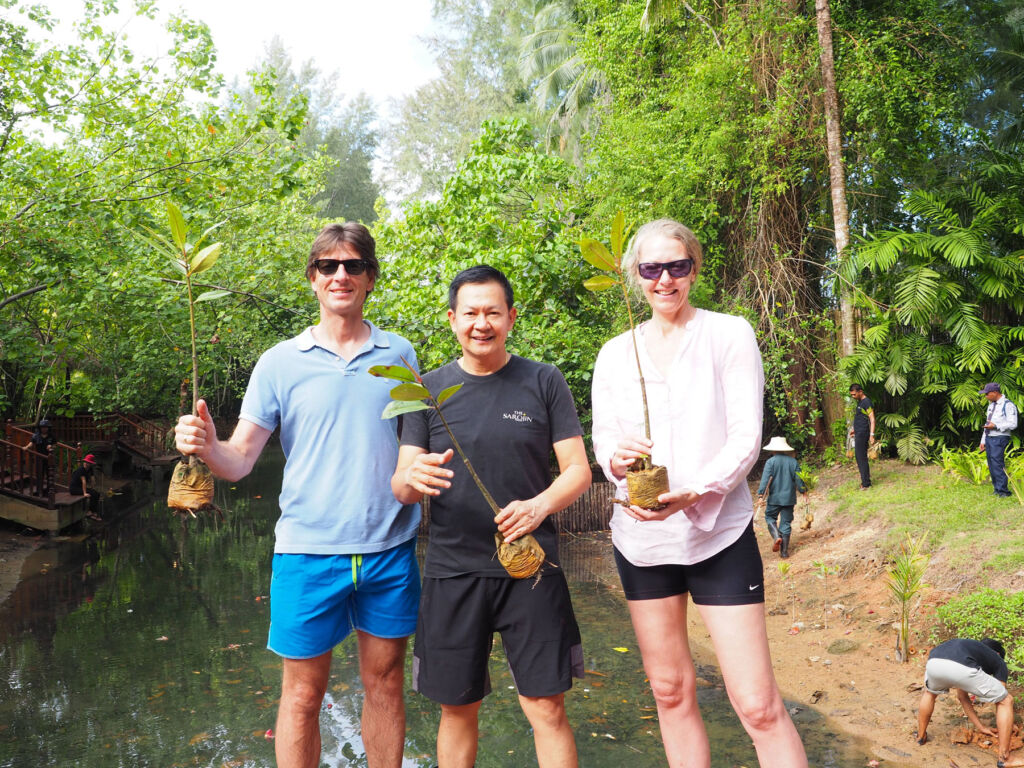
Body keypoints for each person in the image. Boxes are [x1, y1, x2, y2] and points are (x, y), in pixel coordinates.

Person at [174, 222, 420, 768]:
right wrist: (207, 446)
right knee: (303, 695)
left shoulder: (400, 354)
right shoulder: (279, 361)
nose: (340, 275)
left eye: (353, 265)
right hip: (307, 553)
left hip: (390, 549)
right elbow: (238, 462)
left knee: (385, 685)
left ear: (370, 278)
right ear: (312, 278)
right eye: (328, 266)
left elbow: (414, 449)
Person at [591, 219, 808, 768]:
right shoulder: (616, 352)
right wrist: (615, 461)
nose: (665, 279)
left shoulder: (728, 332)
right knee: (669, 690)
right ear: (635, 276)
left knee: (757, 705)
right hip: (642, 542)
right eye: (651, 269)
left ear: (695, 268)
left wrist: (696, 490)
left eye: (677, 267)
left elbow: (745, 438)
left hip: (718, 535)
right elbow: (605, 442)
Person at [392, 265, 591, 768]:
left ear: (511, 317)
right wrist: (415, 481)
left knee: (545, 706)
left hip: (531, 568)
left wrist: (540, 504)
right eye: (471, 313)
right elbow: (400, 485)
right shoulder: (425, 391)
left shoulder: (543, 380)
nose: (482, 323)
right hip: (453, 570)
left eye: (493, 312)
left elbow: (577, 472)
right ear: (452, 320)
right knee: (457, 709)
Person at [916, 637, 1023, 767]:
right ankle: (1005, 758)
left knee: (929, 693)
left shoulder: (970, 650)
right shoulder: (998, 660)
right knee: (1006, 701)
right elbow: (1000, 699)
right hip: (960, 666)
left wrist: (981, 727)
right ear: (998, 654)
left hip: (934, 661)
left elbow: (962, 697)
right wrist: (1008, 725)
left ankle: (921, 737)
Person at [757, 437, 806, 559]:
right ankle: (784, 552)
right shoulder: (793, 462)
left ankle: (776, 536)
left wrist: (760, 495)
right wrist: (803, 491)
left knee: (769, 517)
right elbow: (799, 479)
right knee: (786, 523)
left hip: (774, 499)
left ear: (772, 450)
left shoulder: (770, 462)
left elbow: (765, 480)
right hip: (789, 498)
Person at [979, 383, 1018, 499]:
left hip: (1000, 438)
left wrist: (996, 426)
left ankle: (1003, 492)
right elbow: (988, 423)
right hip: (990, 438)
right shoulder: (991, 406)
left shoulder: (1008, 405)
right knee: (991, 464)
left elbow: (1013, 424)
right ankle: (997, 489)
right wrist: (983, 440)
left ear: (995, 392)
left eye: (987, 394)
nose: (985, 396)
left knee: (997, 464)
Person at [848, 384, 875, 489]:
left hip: (863, 433)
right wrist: (855, 430)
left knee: (861, 458)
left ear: (860, 391)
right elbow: (862, 418)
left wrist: (871, 435)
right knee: (859, 458)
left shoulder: (867, 402)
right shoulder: (860, 402)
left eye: (854, 394)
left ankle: (866, 483)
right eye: (851, 395)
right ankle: (865, 481)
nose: (853, 396)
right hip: (859, 432)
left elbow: (872, 419)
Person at [21, 418, 57, 495]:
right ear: (40, 428)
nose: (44, 428)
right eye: (42, 427)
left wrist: (51, 446)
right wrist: (26, 447)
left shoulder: (51, 436)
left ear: (48, 428)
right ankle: (39, 491)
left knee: (49, 474)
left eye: (46, 427)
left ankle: (49, 490)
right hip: (39, 458)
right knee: (39, 474)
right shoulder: (35, 436)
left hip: (49, 458)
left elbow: (55, 445)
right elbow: (31, 443)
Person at [69, 453, 102, 520]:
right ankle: (90, 512)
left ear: (91, 464)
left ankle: (93, 512)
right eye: (85, 462)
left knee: (96, 493)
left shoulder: (90, 469)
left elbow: (92, 479)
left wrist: (93, 488)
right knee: (92, 493)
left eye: (88, 462)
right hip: (74, 489)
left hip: (80, 488)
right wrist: (84, 493)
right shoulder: (81, 470)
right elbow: (84, 481)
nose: (86, 464)